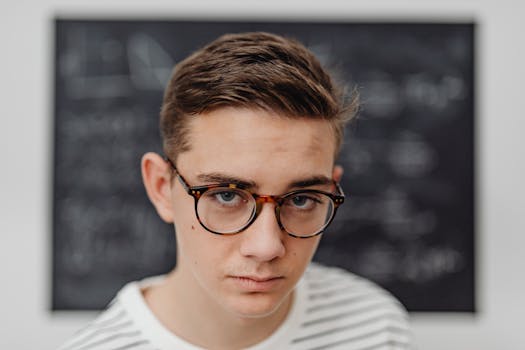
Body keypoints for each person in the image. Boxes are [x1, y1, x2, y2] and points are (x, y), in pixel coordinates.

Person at [59, 32, 412, 350]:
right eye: (226, 195)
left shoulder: (376, 327)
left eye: (302, 199)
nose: (266, 247)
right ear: (161, 188)